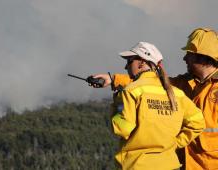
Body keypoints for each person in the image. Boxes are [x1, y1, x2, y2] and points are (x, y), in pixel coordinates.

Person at [93, 28, 218, 170]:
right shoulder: (185, 83)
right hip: (184, 165)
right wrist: (113, 79)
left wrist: (175, 143)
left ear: (202, 57)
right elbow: (150, 84)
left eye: (189, 54)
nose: (184, 58)